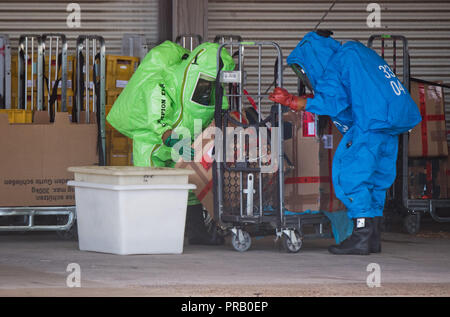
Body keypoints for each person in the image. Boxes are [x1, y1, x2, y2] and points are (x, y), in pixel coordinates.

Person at [269, 30, 421, 255]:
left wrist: (292, 101)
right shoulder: (360, 53)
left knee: (351, 176)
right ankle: (373, 237)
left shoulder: (338, 62)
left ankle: (361, 236)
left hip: (370, 124)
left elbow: (333, 102)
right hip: (389, 124)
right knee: (377, 180)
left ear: (313, 57)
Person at [107, 41, 235, 245]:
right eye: (206, 81)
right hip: (152, 142)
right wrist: (170, 137)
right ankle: (148, 233)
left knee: (190, 185)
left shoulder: (212, 89)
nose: (208, 87)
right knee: (150, 184)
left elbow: (221, 111)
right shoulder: (163, 84)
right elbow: (157, 119)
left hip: (185, 140)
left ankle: (196, 232)